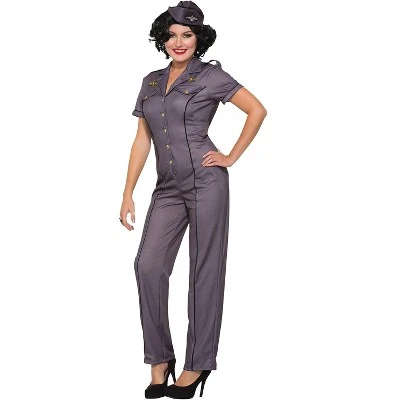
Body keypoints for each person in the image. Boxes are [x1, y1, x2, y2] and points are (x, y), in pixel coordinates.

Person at [119, 1, 267, 398]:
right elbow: (142, 139)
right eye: (171, 35)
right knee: (147, 266)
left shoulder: (211, 76)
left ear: (199, 38)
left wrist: (230, 157)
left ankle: (198, 364)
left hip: (206, 182)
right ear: (162, 39)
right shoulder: (151, 81)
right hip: (167, 187)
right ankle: (159, 358)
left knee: (204, 272)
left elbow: (256, 110)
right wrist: (128, 192)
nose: (179, 42)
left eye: (187, 35)